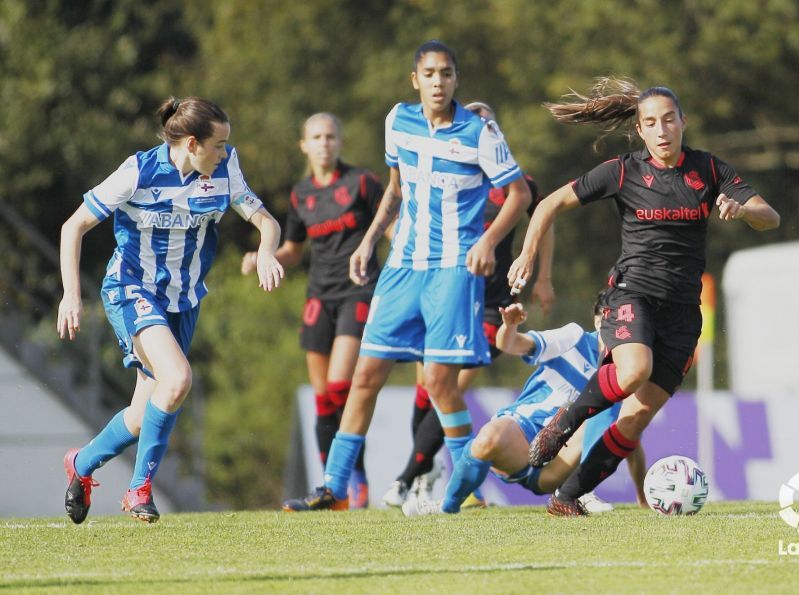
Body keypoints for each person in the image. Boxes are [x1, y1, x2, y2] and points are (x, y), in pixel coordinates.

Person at [509, 77, 780, 516]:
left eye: (669, 120)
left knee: (633, 422)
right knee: (634, 369)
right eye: (651, 122)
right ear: (640, 130)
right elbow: (549, 205)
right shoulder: (624, 170)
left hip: (682, 313)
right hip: (631, 294)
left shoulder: (709, 171)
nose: (661, 130)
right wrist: (526, 253)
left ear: (683, 122)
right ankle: (566, 420)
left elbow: (771, 217)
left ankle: (565, 498)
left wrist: (744, 209)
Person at [283, 40, 531, 512]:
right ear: (415, 79)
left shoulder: (479, 131)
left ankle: (467, 485)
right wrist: (369, 238)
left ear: (456, 80)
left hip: (453, 272)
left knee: (439, 384)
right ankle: (333, 488)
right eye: (430, 73)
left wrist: (487, 242)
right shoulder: (398, 120)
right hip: (402, 269)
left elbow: (517, 194)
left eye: (447, 73)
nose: (439, 82)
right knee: (365, 376)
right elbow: (394, 189)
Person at [58, 96, 284, 524]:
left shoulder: (225, 168)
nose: (225, 153)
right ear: (193, 144)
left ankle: (81, 464)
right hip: (132, 289)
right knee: (178, 378)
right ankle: (139, 491)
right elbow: (74, 227)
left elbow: (266, 221)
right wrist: (71, 294)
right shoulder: (139, 171)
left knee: (143, 416)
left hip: (184, 301)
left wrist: (267, 251)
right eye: (218, 145)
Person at [382, 101, 556, 509]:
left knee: (451, 385)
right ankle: (435, 475)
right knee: (428, 391)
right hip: (443, 294)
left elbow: (543, 221)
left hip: (495, 305)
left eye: (488, 123)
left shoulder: (517, 183)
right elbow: (400, 212)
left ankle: (406, 478)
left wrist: (542, 275)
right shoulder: (441, 176)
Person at [241, 113, 383, 509]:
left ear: (340, 141)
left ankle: (355, 476)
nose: (324, 142)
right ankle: (330, 490)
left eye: (331, 136)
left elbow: (390, 224)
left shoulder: (362, 182)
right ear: (304, 145)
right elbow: (293, 249)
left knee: (341, 386)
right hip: (319, 296)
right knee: (323, 398)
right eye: (316, 137)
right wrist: (262, 255)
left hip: (359, 291)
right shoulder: (301, 193)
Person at [402, 299, 648, 516]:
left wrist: (642, 496)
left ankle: (581, 491)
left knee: (608, 409)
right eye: (609, 319)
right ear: (598, 321)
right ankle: (448, 506)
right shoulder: (573, 338)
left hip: (559, 464)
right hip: (522, 437)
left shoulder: (628, 369)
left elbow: (627, 436)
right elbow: (511, 344)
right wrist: (509, 326)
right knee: (488, 438)